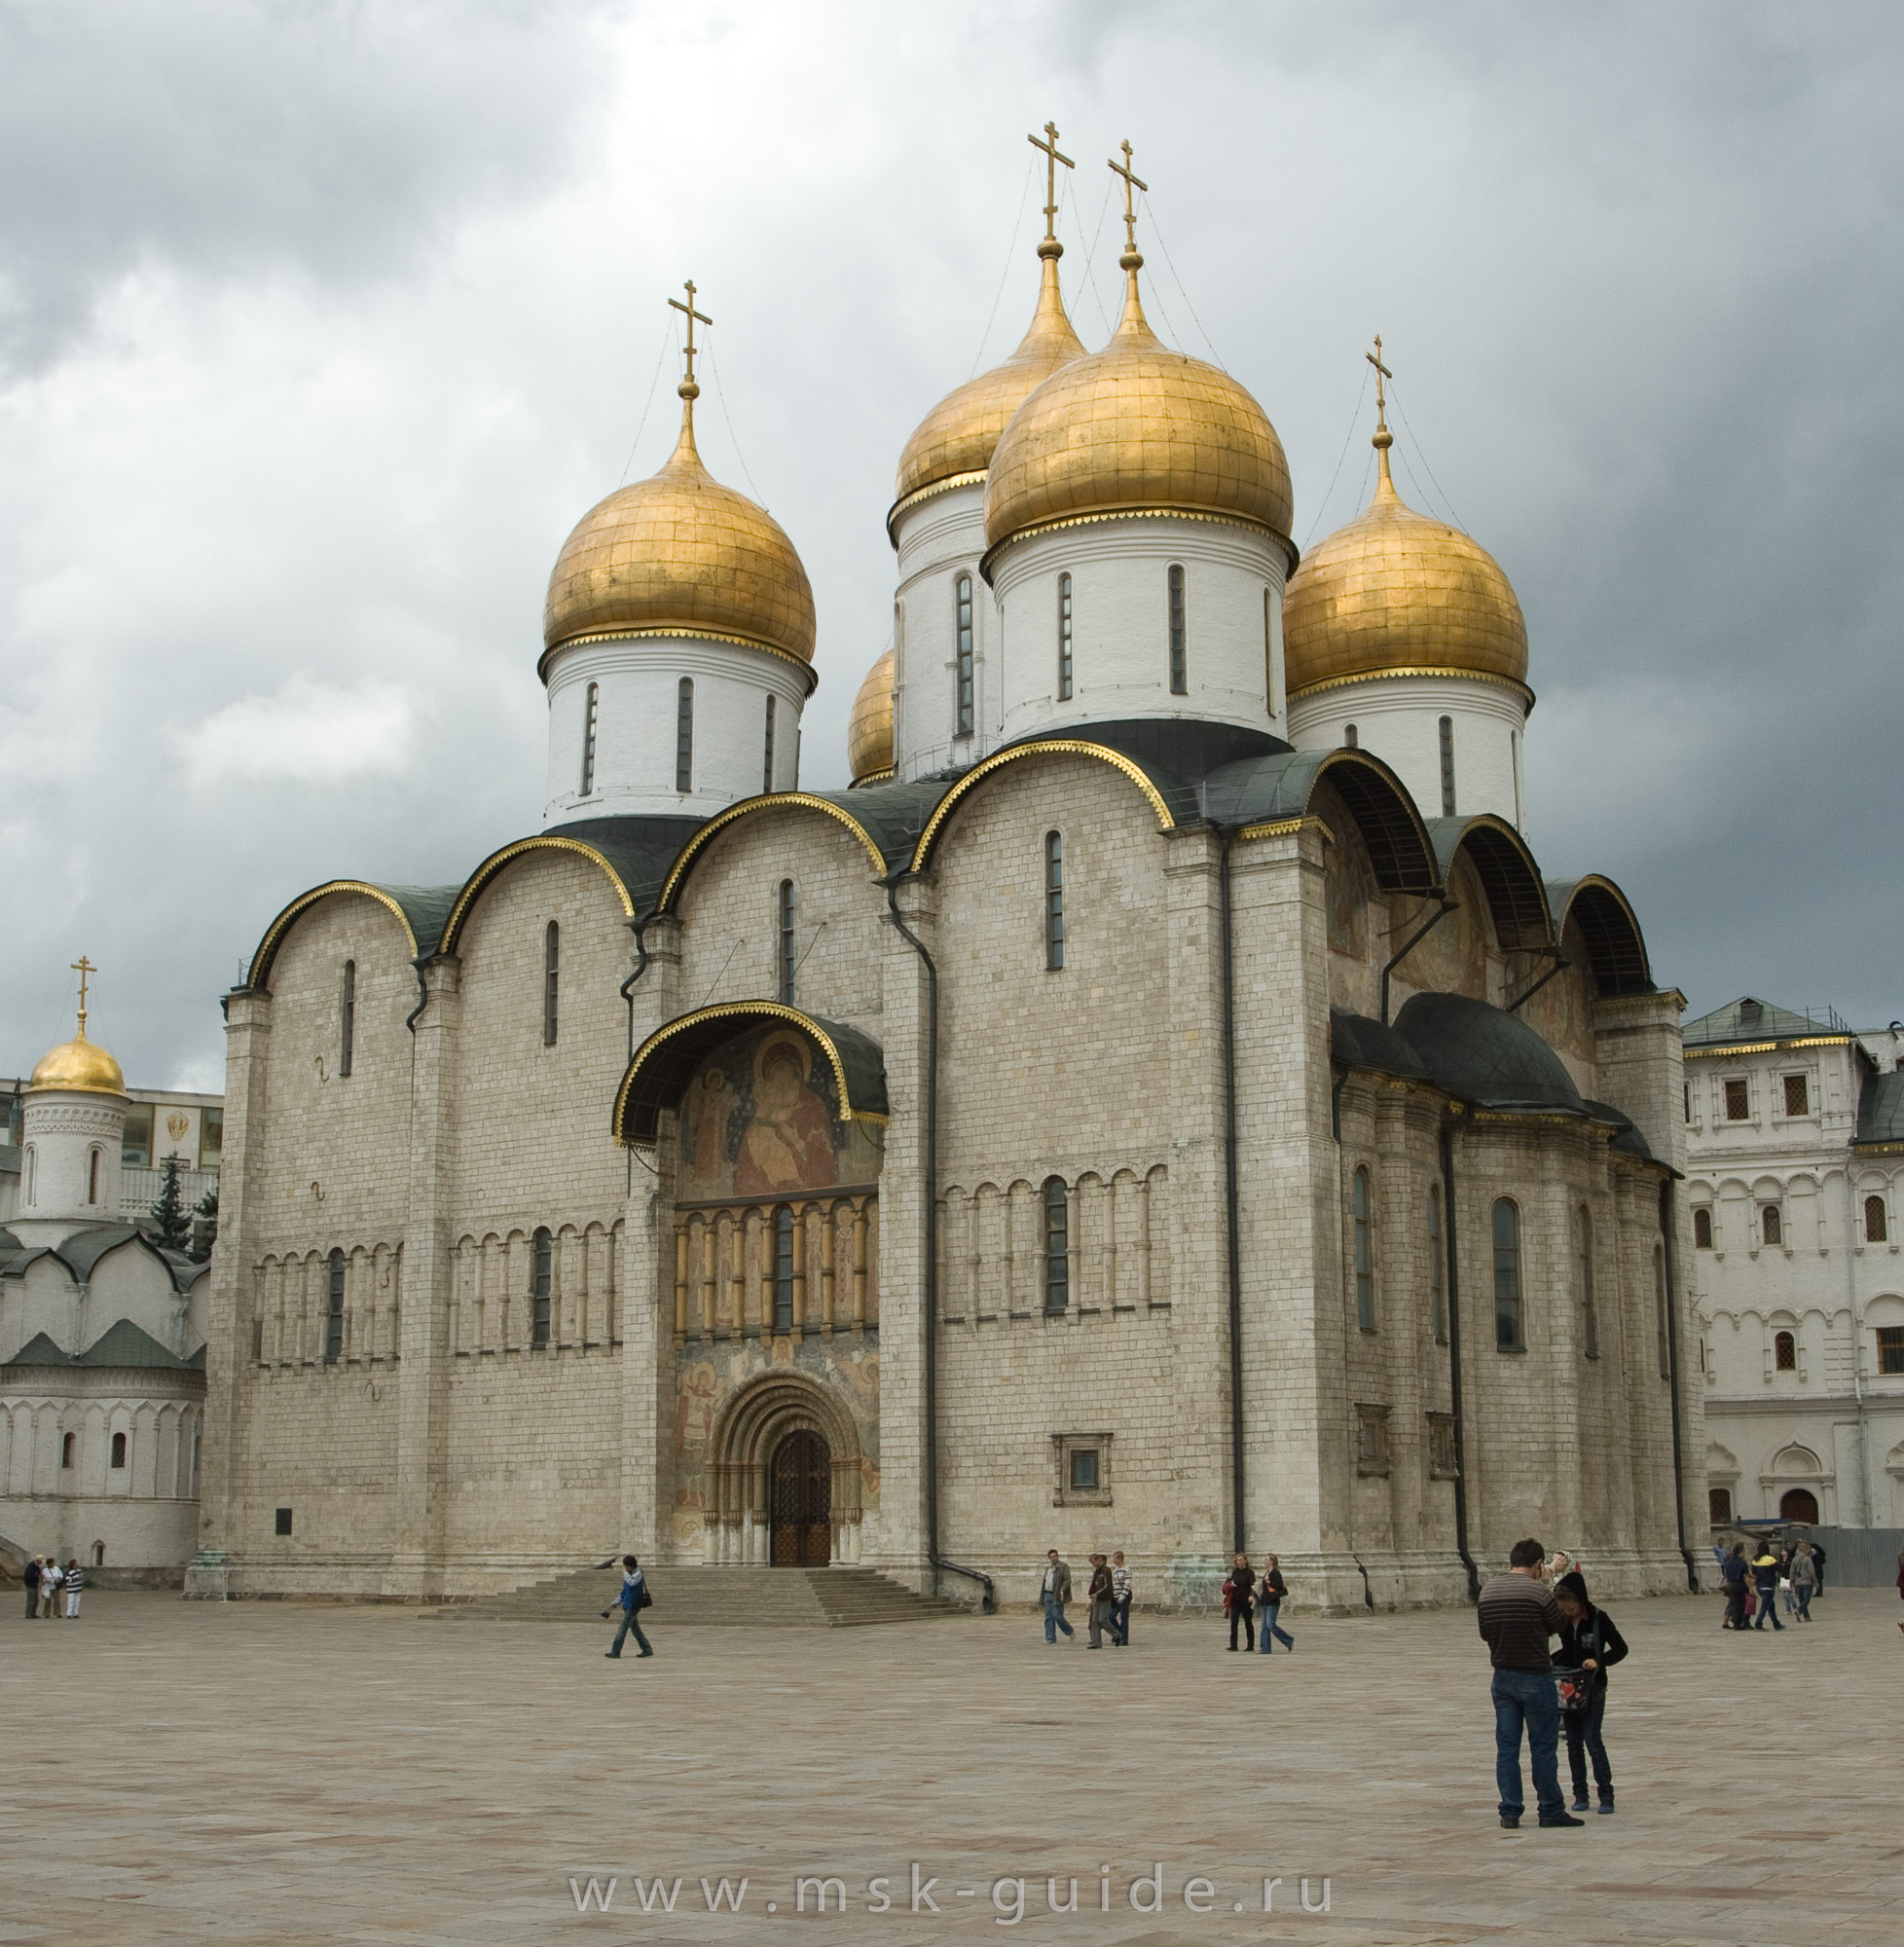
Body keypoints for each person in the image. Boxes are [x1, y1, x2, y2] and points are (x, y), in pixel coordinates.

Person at [1478, 1538, 1580, 1828]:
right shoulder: (1537, 1591)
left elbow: (1485, 1632)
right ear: (1537, 1565)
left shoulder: (1488, 1591)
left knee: (1507, 1746)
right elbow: (1558, 1626)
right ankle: (1549, 1810)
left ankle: (1509, 1811)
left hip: (1502, 1676)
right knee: (1543, 1746)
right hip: (1535, 1675)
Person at [1554, 1569, 1627, 1815]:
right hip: (1569, 1684)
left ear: (1580, 1601)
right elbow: (1563, 1648)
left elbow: (1620, 1648)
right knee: (1573, 1742)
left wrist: (1599, 1661)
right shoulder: (1562, 1621)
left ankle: (1606, 1794)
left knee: (1592, 1739)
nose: (1568, 1613)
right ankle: (1580, 1794)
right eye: (1564, 1609)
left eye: (1572, 1608)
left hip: (1593, 1684)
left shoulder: (1598, 1618)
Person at [604, 1554, 653, 1659]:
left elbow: (632, 1583)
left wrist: (625, 1573)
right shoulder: (629, 1575)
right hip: (628, 1604)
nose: (625, 1569)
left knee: (622, 1628)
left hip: (634, 1605)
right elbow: (625, 1592)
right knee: (636, 1629)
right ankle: (647, 1649)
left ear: (630, 1566)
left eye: (626, 1566)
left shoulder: (638, 1573)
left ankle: (615, 1651)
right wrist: (614, 1603)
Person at [1258, 1554, 1295, 1654]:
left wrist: (1269, 1582)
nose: (1264, 1561)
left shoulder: (1275, 1573)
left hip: (1272, 1603)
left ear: (1272, 1561)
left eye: (1266, 1559)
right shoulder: (1267, 1572)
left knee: (1270, 1624)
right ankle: (1265, 1648)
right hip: (1264, 1602)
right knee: (1264, 1626)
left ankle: (1288, 1640)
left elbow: (1279, 1587)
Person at [1223, 1552, 1255, 1651]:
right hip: (1236, 1600)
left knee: (1248, 1622)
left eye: (1241, 1560)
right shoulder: (1235, 1572)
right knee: (1234, 1622)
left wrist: (1251, 1596)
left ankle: (1250, 1645)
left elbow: (1253, 1585)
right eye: (1238, 1560)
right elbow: (1231, 1582)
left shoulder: (1250, 1572)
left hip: (1246, 1600)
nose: (1239, 1562)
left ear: (1245, 1561)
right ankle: (1233, 1645)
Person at [1040, 1550, 1074, 1643]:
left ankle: (1069, 1630)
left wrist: (1062, 1590)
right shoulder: (1049, 1568)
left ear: (1058, 1556)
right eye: (1051, 1556)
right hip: (1047, 1594)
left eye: (1055, 1556)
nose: (1053, 1558)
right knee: (1048, 1616)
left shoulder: (1063, 1567)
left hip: (1057, 1595)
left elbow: (1067, 1580)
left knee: (1057, 1615)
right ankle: (1050, 1637)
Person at [1750, 1546, 1784, 1631]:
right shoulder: (1770, 1559)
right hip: (1768, 1586)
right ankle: (1758, 1624)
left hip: (1759, 1586)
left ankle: (1776, 1624)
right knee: (1765, 1606)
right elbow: (1780, 1568)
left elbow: (1753, 1572)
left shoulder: (1755, 1560)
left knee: (1771, 1606)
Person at [1085, 1555, 1114, 1649]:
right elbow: (1094, 1584)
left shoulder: (1106, 1570)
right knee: (1094, 1621)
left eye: (1093, 1562)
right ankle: (1096, 1642)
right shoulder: (1097, 1572)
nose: (1093, 1564)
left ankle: (1116, 1634)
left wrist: (1097, 1594)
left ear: (1099, 1560)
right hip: (1097, 1599)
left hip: (1104, 1598)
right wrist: (1092, 1594)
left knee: (1102, 1619)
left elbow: (1107, 1586)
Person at [1720, 1544, 1749, 1631]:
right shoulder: (1742, 1563)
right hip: (1740, 1584)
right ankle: (1739, 1622)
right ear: (1741, 1552)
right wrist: (1750, 1587)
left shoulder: (1729, 1563)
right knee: (1741, 1605)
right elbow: (1745, 1576)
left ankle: (1736, 1623)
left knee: (1735, 1604)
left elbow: (1726, 1575)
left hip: (1731, 1584)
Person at [1789, 1541, 1817, 1621]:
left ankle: (1806, 1616)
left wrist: (1792, 1581)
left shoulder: (1794, 1559)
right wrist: (1815, 1581)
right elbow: (1811, 1572)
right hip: (1807, 1582)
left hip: (1798, 1582)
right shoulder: (1808, 1559)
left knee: (1801, 1599)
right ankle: (1799, 1610)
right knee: (1807, 1599)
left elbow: (1792, 1571)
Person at [1109, 1552, 1132, 1646]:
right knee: (1111, 1616)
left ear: (1120, 1559)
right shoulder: (1115, 1570)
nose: (1113, 1560)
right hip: (1116, 1596)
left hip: (1124, 1596)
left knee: (1124, 1617)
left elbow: (1127, 1584)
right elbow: (1114, 1584)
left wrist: (1122, 1596)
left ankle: (1124, 1639)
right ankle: (1119, 1633)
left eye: (1115, 1558)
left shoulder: (1126, 1570)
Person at [23, 1555, 42, 1619]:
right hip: (30, 1585)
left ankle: (33, 1613)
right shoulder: (31, 1566)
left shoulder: (37, 1567)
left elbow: (38, 1574)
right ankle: (28, 1614)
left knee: (35, 1600)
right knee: (30, 1600)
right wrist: (37, 1577)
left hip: (35, 1584)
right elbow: (28, 1576)